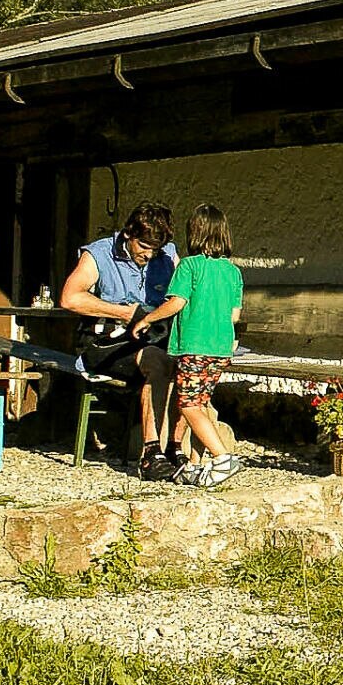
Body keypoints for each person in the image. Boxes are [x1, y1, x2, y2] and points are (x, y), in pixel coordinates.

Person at [59, 202, 180, 478]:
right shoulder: (99, 254)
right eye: (144, 247)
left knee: (188, 363)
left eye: (155, 249)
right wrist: (126, 313)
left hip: (153, 334)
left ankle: (179, 449)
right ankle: (151, 454)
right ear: (128, 234)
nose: (149, 255)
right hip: (105, 339)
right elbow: (70, 297)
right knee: (157, 362)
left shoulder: (168, 255)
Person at [135, 205, 244, 485]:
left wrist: (147, 319)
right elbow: (235, 315)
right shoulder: (233, 272)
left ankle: (222, 458)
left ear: (194, 233)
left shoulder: (189, 266)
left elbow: (176, 303)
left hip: (194, 347)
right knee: (201, 404)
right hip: (221, 349)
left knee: (188, 406)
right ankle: (195, 464)